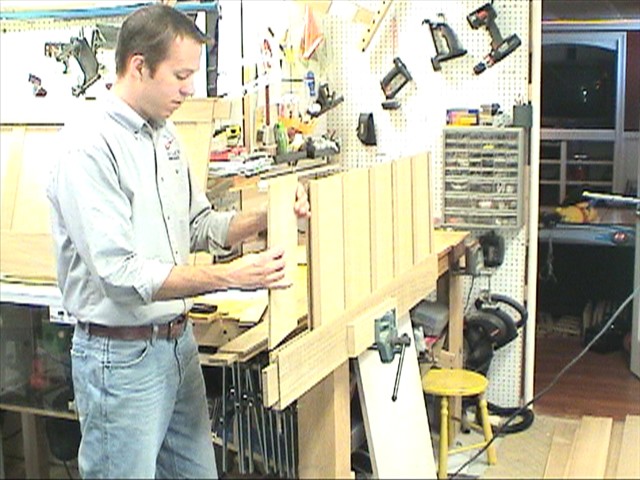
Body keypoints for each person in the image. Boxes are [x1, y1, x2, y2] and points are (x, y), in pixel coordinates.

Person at [47, 4, 310, 479]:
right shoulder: (89, 146)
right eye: (181, 75)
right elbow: (120, 276)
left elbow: (198, 224)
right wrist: (228, 277)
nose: (190, 89)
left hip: (177, 346)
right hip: (121, 359)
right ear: (139, 65)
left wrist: (262, 219)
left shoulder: (164, 137)